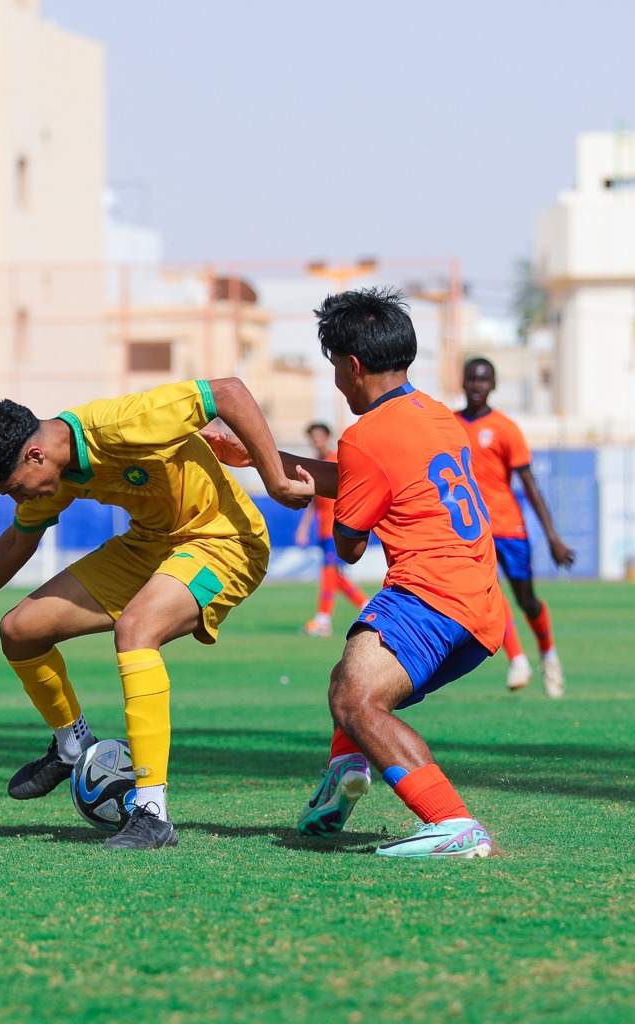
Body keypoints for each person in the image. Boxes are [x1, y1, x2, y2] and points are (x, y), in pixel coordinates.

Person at [0, 378, 313, 851]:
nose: (19, 500)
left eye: (14, 489)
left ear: (34, 455)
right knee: (19, 631)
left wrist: (275, 479)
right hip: (150, 545)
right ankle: (71, 746)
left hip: (223, 542)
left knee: (137, 630)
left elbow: (227, 393)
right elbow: (19, 540)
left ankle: (151, 811)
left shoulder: (122, 423)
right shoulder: (54, 472)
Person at [229, 287, 506, 858]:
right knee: (348, 686)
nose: (335, 381)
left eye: (334, 367)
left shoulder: (366, 435)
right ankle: (343, 774)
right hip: (479, 606)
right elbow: (369, 473)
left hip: (428, 595)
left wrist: (289, 489)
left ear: (352, 366)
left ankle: (453, 824)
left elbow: (350, 547)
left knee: (356, 702)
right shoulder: (437, 416)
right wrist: (261, 456)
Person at [454, 357, 574, 698]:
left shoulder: (505, 428)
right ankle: (517, 659)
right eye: (471, 379)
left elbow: (530, 485)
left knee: (527, 601)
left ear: (493, 386)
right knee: (488, 591)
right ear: (462, 382)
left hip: (510, 527)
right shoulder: (448, 425)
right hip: (474, 530)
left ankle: (548, 654)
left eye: (483, 380)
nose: (477, 385)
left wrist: (552, 537)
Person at [294, 422, 369, 637]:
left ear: (327, 437)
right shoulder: (315, 464)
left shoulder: (337, 459)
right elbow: (315, 501)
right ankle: (367, 606)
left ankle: (323, 620)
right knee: (333, 576)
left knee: (328, 573)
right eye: (312, 436)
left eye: (319, 435)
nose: (316, 440)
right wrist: (304, 526)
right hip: (322, 528)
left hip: (337, 527)